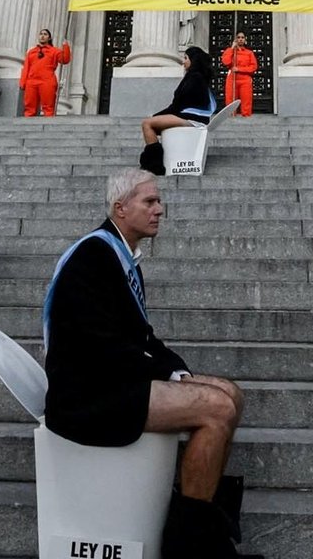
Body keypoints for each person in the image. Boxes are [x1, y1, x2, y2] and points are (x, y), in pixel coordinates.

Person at [43, 169, 255, 557]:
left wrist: (179, 374)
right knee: (217, 408)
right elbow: (97, 344)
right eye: (150, 202)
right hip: (88, 394)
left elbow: (142, 336)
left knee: (231, 395)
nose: (160, 210)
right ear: (120, 208)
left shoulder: (119, 255)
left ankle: (204, 521)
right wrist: (168, 380)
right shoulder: (93, 255)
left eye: (159, 202)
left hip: (113, 380)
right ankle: (189, 544)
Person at [139, 47, 218, 176]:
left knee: (147, 124)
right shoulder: (196, 78)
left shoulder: (195, 78)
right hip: (190, 118)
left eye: (186, 58)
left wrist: (157, 117)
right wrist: (159, 116)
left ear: (193, 60)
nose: (183, 62)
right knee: (152, 123)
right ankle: (156, 161)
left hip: (192, 120)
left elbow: (178, 106)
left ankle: (155, 165)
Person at [19, 28, 71, 117]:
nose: (42, 36)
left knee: (48, 107)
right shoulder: (31, 52)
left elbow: (65, 59)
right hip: (31, 81)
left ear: (49, 38)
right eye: (41, 34)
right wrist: (23, 82)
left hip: (47, 81)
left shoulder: (55, 51)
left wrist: (65, 46)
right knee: (29, 106)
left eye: (45, 34)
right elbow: (26, 68)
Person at [221, 31, 258, 117]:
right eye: (238, 37)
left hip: (245, 79)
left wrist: (239, 69)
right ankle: (231, 117)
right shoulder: (229, 51)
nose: (240, 39)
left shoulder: (249, 53)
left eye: (242, 37)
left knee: (246, 100)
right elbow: (226, 62)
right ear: (235, 39)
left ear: (245, 40)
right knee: (230, 99)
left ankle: (246, 117)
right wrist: (232, 48)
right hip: (232, 78)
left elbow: (253, 67)